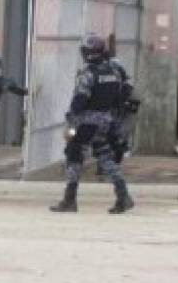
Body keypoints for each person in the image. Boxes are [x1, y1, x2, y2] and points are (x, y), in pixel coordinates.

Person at [50, 33, 135, 214]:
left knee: (74, 154)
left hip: (87, 122)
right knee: (105, 156)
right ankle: (123, 196)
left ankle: (69, 199)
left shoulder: (88, 74)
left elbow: (80, 99)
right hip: (107, 121)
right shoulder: (114, 72)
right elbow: (123, 94)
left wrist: (72, 118)